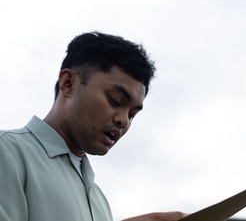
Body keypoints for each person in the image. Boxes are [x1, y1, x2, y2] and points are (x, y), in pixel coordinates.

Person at [0, 32, 186, 221]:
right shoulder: (8, 152)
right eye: (115, 100)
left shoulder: (99, 199)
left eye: (132, 115)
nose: (124, 120)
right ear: (68, 83)